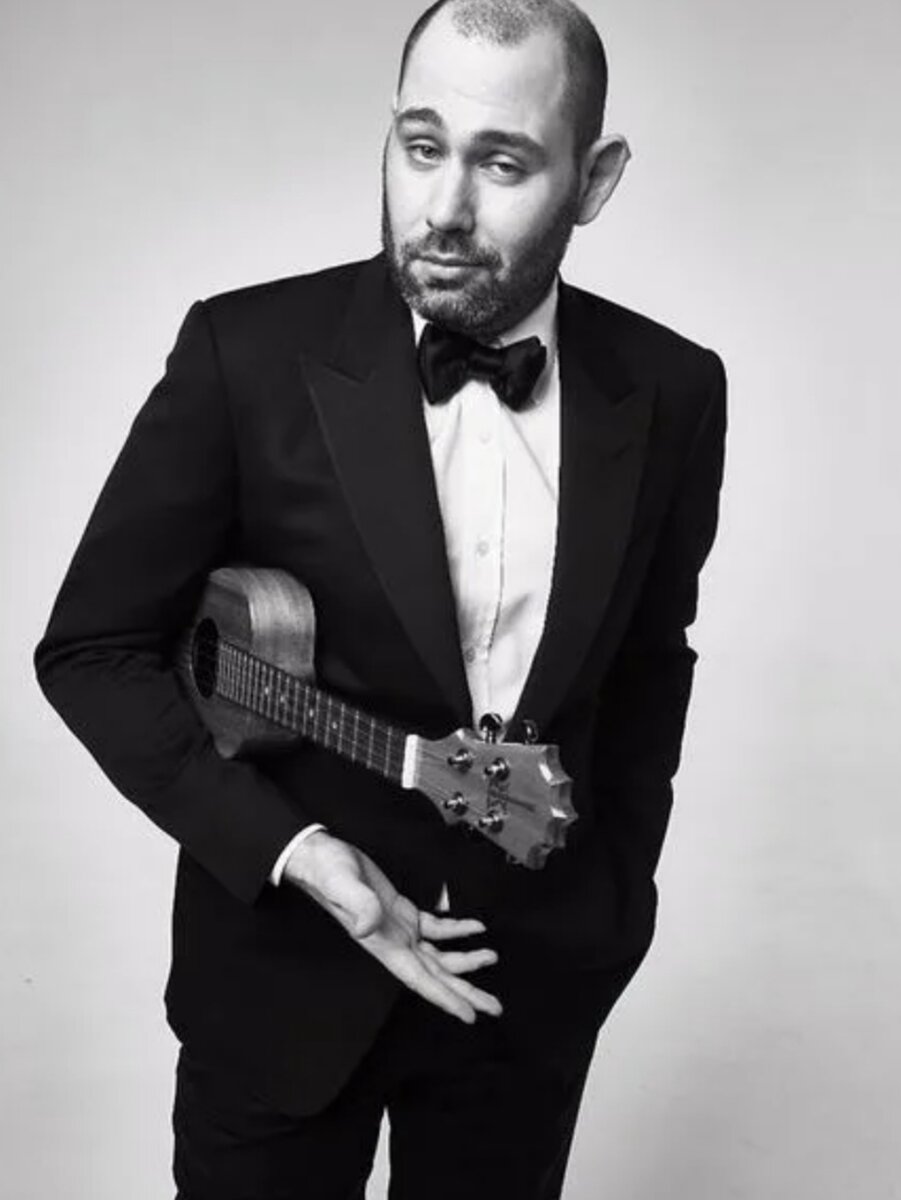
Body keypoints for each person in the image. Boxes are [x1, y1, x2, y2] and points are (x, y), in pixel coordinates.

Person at [35, 0, 727, 1196]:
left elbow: (651, 659)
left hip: (527, 994)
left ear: (594, 178)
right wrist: (294, 853)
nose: (443, 208)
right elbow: (93, 650)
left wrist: (615, 907)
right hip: (280, 978)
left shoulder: (673, 389)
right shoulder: (243, 354)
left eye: (502, 163)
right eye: (421, 146)